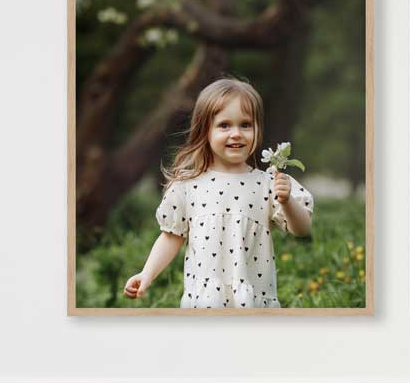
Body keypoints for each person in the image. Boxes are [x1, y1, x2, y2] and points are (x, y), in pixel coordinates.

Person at [124, 78, 314, 308]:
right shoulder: (187, 186)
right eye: (224, 125)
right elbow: (170, 236)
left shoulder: (268, 183)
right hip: (204, 302)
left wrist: (287, 201)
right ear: (205, 131)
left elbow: (302, 229)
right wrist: (147, 274)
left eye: (245, 125)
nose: (236, 133)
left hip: (253, 300)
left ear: (257, 129)